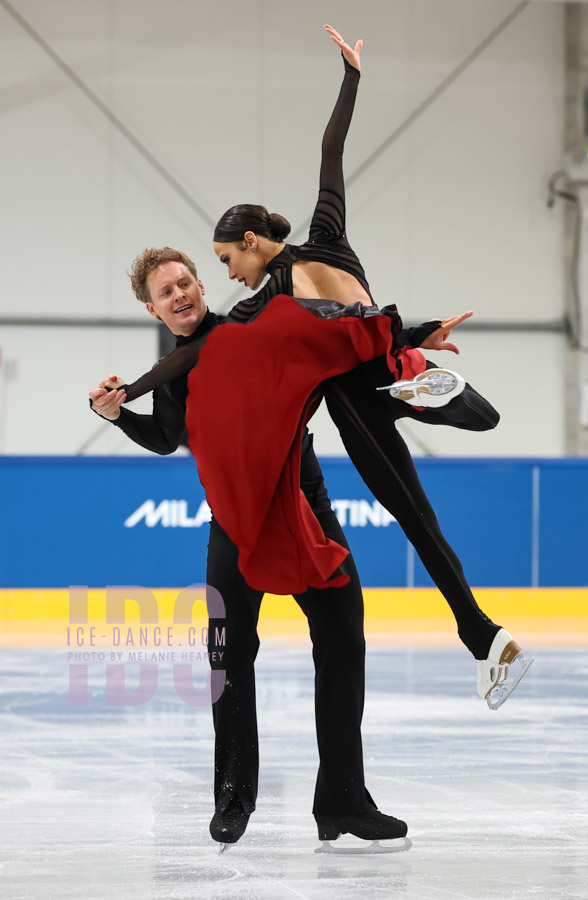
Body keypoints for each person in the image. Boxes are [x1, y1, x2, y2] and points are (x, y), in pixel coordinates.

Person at [210, 24, 533, 709]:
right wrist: (352, 75)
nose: (229, 275)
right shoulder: (328, 231)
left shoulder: (270, 302)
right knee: (483, 417)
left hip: (352, 400)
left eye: (226, 261)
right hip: (389, 353)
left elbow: (216, 342)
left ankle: (481, 631)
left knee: (418, 520)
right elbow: (332, 150)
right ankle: (425, 389)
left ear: (247, 242)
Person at [89, 247, 410, 853]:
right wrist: (116, 415)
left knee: (343, 635)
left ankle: (343, 797)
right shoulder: (172, 370)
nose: (180, 294)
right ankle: (234, 796)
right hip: (234, 519)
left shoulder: (247, 326)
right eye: (166, 292)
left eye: (185, 281)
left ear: (201, 284)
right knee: (226, 655)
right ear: (153, 309)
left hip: (302, 501)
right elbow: (165, 437)